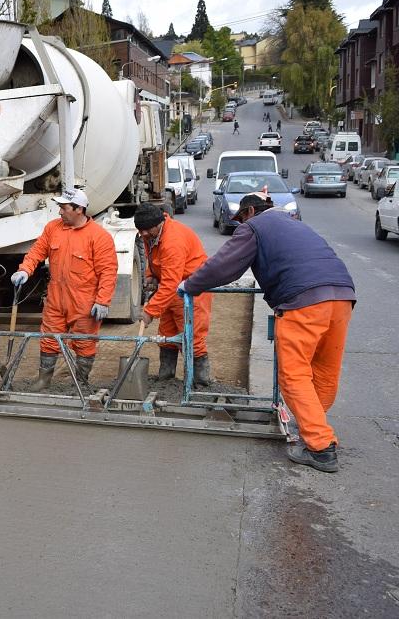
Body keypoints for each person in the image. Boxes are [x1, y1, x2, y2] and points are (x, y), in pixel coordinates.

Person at [181, 192, 355, 473]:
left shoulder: (255, 227)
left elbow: (225, 266)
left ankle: (321, 448)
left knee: (294, 375)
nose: (239, 226)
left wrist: (191, 285)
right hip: (342, 296)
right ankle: (314, 427)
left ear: (250, 211)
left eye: (240, 220)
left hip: (302, 300)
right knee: (324, 370)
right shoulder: (295, 223)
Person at [10, 189, 117, 388]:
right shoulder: (53, 228)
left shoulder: (98, 236)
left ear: (79, 209)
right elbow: (37, 251)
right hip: (56, 298)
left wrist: (102, 300)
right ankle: (44, 379)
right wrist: (25, 270)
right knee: (49, 337)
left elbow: (108, 272)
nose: (59, 212)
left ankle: (81, 382)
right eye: (59, 207)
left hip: (84, 302)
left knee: (84, 342)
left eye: (64, 207)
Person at [133, 203, 213, 385]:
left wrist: (149, 311)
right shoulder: (151, 234)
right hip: (172, 289)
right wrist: (151, 275)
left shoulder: (173, 241)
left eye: (146, 230)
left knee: (192, 337)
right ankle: (166, 380)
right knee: (167, 335)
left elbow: (170, 283)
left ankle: (200, 383)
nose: (143, 234)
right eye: (140, 230)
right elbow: (152, 259)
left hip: (192, 291)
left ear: (158, 224)